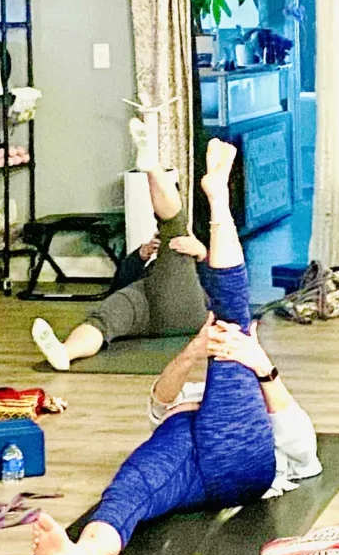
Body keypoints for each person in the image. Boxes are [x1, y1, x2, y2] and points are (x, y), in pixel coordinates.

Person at [30, 139, 320, 555]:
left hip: (241, 458)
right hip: (187, 460)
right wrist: (193, 351)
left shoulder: (251, 381)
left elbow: (304, 450)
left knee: (230, 320)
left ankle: (218, 198)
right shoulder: (199, 383)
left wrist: (260, 365)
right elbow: (159, 400)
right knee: (129, 490)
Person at [32, 116, 210, 372]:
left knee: (174, 228)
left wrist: (202, 254)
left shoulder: (194, 241)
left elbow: (225, 283)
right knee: (100, 320)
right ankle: (65, 352)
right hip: (142, 302)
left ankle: (151, 165)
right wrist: (140, 255)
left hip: (184, 307)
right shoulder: (151, 251)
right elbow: (120, 283)